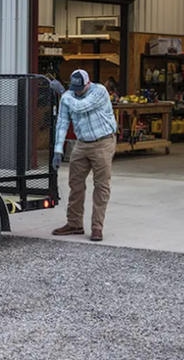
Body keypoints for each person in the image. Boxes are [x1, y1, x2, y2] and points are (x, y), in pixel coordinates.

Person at [51, 69, 117, 242]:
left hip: (103, 142)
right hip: (81, 143)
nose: (77, 91)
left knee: (101, 186)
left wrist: (62, 94)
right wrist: (58, 150)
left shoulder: (99, 91)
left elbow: (82, 106)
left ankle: (97, 227)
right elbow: (62, 123)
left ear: (87, 83)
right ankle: (74, 223)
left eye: (79, 88)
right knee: (75, 184)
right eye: (73, 88)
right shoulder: (70, 95)